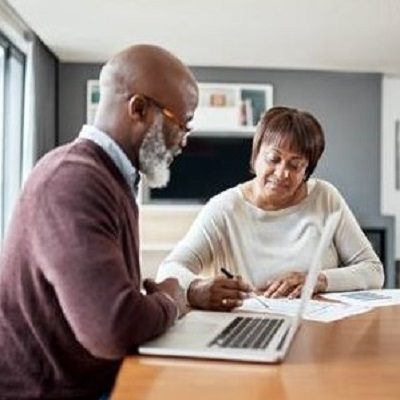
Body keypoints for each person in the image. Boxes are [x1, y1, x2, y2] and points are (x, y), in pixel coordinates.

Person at [0, 44, 198, 399]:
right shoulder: (74, 181)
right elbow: (111, 327)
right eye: (180, 123)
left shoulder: (108, 176)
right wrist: (170, 302)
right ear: (138, 108)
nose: (183, 140)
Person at [157, 106, 384, 311]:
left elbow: (373, 270)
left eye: (295, 165)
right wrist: (196, 288)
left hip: (319, 327)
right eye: (274, 159)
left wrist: (318, 279)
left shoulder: (325, 197)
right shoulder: (224, 208)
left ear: (307, 171)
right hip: (249, 326)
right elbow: (169, 270)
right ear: (256, 157)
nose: (282, 173)